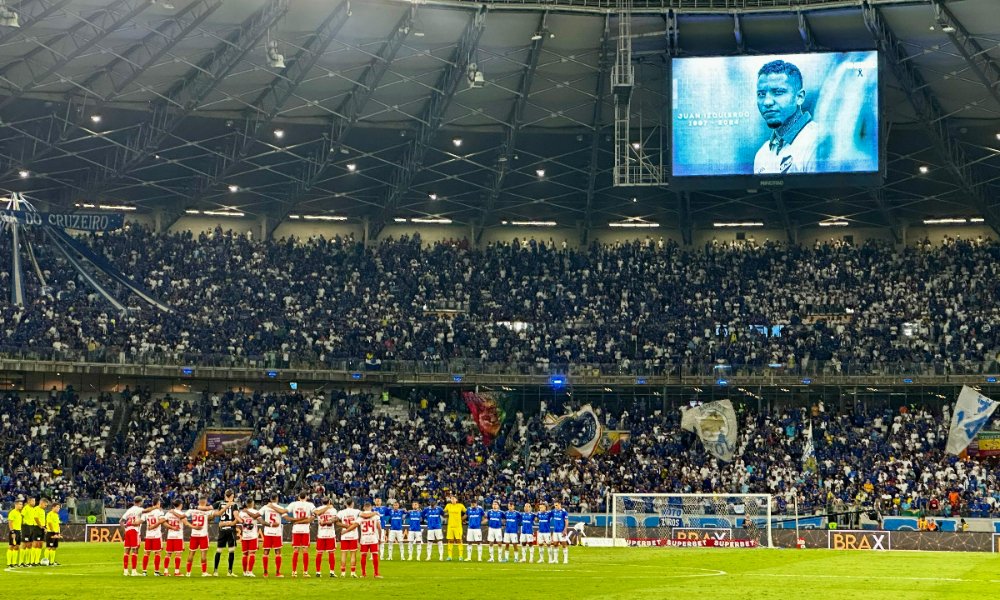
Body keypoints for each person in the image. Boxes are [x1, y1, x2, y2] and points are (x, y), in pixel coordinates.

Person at [752, 59, 820, 175]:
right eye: (761, 94)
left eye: (778, 92)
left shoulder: (818, 141)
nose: (767, 102)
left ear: (799, 97)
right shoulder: (762, 154)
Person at [181, 496, 229, 577]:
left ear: (199, 502)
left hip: (194, 535)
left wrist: (191, 525)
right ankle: (204, 572)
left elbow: (182, 517)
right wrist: (226, 506)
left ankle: (188, 572)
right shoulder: (207, 511)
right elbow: (219, 514)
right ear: (205, 502)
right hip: (203, 535)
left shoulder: (192, 510)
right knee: (203, 554)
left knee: (191, 554)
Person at [212, 489, 240, 577]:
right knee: (231, 551)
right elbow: (236, 516)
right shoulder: (234, 504)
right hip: (231, 529)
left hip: (222, 529)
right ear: (232, 495)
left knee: (219, 550)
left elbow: (212, 512)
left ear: (225, 495)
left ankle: (215, 571)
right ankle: (229, 572)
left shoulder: (219, 503)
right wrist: (232, 523)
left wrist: (222, 522)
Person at [259, 493, 286, 578]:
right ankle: (277, 573)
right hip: (277, 533)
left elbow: (258, 516)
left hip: (267, 532)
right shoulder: (280, 507)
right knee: (277, 552)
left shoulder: (266, 507)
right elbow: (284, 514)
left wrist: (265, 523)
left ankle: (265, 573)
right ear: (277, 498)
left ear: (270, 499)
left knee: (266, 552)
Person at [140, 497, 166, 576]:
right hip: (156, 535)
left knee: (146, 553)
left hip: (148, 535)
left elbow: (141, 521)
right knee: (157, 553)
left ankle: (144, 571)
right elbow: (162, 520)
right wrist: (154, 526)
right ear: (158, 503)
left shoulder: (147, 512)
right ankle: (156, 572)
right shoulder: (159, 512)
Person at [237, 498, 263, 577]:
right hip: (253, 536)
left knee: (245, 554)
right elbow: (260, 520)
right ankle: (250, 571)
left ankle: (244, 572)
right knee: (252, 554)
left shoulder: (241, 513)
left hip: (244, 536)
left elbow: (238, 520)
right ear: (252, 503)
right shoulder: (255, 512)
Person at [336, 498, 361, 577]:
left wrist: (345, 526)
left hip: (344, 536)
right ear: (352, 503)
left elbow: (336, 522)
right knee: (353, 554)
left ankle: (343, 573)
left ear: (345, 504)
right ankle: (353, 573)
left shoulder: (341, 512)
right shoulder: (357, 511)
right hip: (353, 535)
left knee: (343, 554)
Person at [313, 498, 338, 577]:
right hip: (330, 534)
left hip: (321, 534)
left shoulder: (318, 509)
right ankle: (332, 572)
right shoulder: (333, 510)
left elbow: (316, 513)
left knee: (319, 553)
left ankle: (318, 572)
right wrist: (328, 507)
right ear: (329, 502)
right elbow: (335, 520)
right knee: (331, 553)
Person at [120, 496, 145, 576]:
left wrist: (124, 532)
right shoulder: (140, 510)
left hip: (128, 531)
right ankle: (134, 571)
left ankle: (125, 571)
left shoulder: (129, 510)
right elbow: (145, 513)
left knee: (127, 550)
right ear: (140, 502)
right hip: (135, 530)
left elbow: (121, 521)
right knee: (135, 550)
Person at [162, 500, 186, 576]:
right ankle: (176, 572)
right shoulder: (181, 513)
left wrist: (171, 527)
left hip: (170, 536)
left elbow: (163, 522)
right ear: (181, 505)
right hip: (178, 536)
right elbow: (185, 522)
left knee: (168, 554)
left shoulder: (169, 513)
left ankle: (165, 571)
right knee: (178, 554)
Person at [443, 495, 465, 561]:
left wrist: (462, 519)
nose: (452, 500)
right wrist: (446, 516)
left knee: (459, 540)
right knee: (450, 540)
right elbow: (443, 513)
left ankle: (460, 556)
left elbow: (467, 512)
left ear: (456, 500)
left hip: (458, 526)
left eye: (453, 499)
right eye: (451, 499)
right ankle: (449, 556)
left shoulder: (460, 505)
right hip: (450, 526)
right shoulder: (448, 506)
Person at [44, 500, 61, 566]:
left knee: (54, 547)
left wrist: (58, 533)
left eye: (59, 507)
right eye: (57, 507)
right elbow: (49, 523)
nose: (58, 509)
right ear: (53, 507)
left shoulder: (56, 515)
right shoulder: (49, 514)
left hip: (56, 532)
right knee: (49, 547)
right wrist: (53, 531)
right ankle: (46, 561)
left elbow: (58, 524)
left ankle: (52, 561)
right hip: (51, 532)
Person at [6, 498, 23, 568]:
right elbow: (10, 522)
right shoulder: (12, 512)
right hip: (14, 531)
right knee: (11, 546)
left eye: (21, 504)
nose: (21, 505)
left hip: (18, 531)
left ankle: (14, 562)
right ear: (16, 504)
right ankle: (9, 562)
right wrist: (12, 532)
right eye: (20, 504)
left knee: (16, 547)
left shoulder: (19, 513)